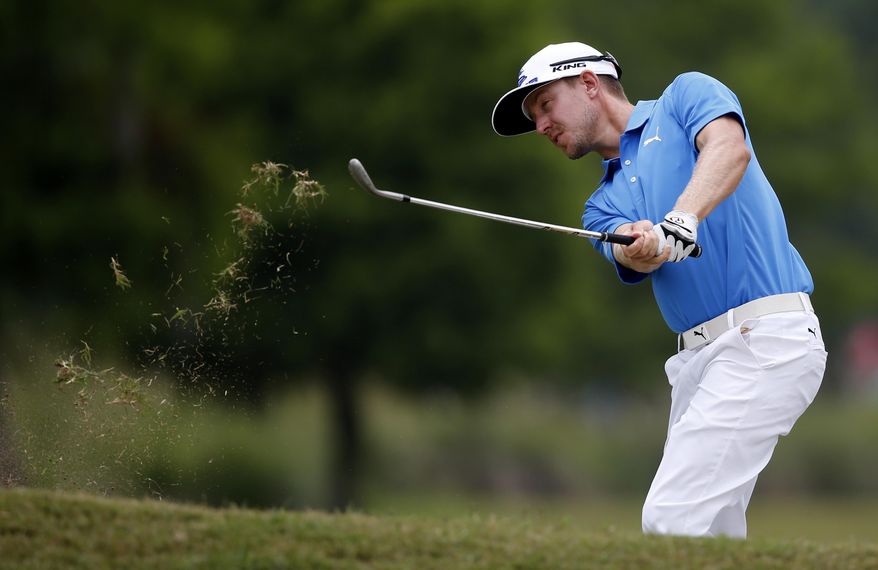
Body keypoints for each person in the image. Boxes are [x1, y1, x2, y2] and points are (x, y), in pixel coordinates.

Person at [491, 42, 827, 538]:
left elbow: (729, 150)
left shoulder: (686, 96)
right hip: (695, 365)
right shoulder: (599, 208)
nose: (540, 125)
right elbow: (631, 254)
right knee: (712, 534)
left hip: (765, 338)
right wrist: (642, 245)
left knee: (671, 519)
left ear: (587, 83)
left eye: (544, 106)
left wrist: (681, 219)